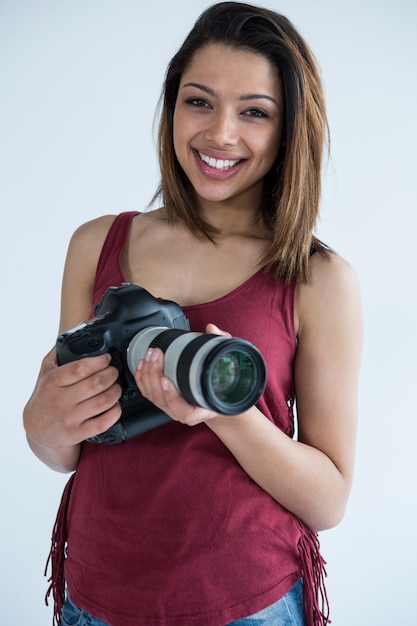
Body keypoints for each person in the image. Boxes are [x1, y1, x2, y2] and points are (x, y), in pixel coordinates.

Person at [23, 2, 363, 625]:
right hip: (95, 595)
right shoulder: (96, 245)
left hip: (246, 603)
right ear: (172, 105)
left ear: (290, 128)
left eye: (254, 112)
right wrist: (40, 425)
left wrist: (223, 414)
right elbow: (69, 449)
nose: (220, 134)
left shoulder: (318, 278)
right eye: (199, 101)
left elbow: (329, 500)